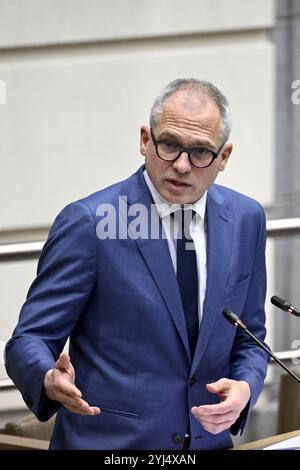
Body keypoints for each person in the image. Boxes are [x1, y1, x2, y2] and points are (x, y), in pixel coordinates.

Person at [5, 78, 268, 450]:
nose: (181, 165)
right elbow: (28, 340)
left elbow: (251, 337)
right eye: (169, 145)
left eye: (200, 152)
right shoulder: (90, 222)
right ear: (146, 140)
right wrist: (47, 377)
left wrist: (246, 387)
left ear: (223, 157)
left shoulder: (247, 219)